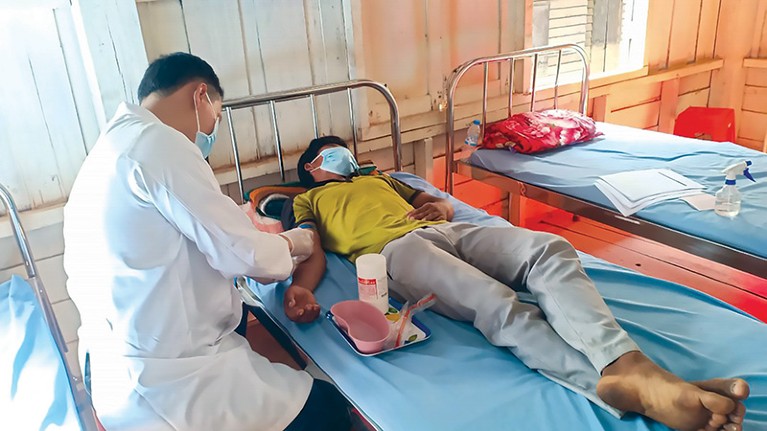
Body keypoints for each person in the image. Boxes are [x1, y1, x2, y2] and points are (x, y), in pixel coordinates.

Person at [286, 135, 751, 431]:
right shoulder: (310, 198)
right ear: (312, 166)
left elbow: (432, 198)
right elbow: (310, 246)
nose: (345, 156)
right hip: (396, 252)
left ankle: (628, 364)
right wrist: (303, 287)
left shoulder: (382, 178)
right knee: (493, 300)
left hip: (444, 229)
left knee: (549, 249)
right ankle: (625, 387)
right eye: (333, 152)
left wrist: (439, 207)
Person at [64, 53, 350, 431]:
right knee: (329, 410)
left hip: (109, 367)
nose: (211, 132)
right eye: (216, 116)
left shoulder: (109, 150)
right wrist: (297, 242)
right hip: (165, 381)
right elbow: (246, 255)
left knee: (242, 324)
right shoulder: (159, 145)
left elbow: (194, 230)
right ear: (200, 95)